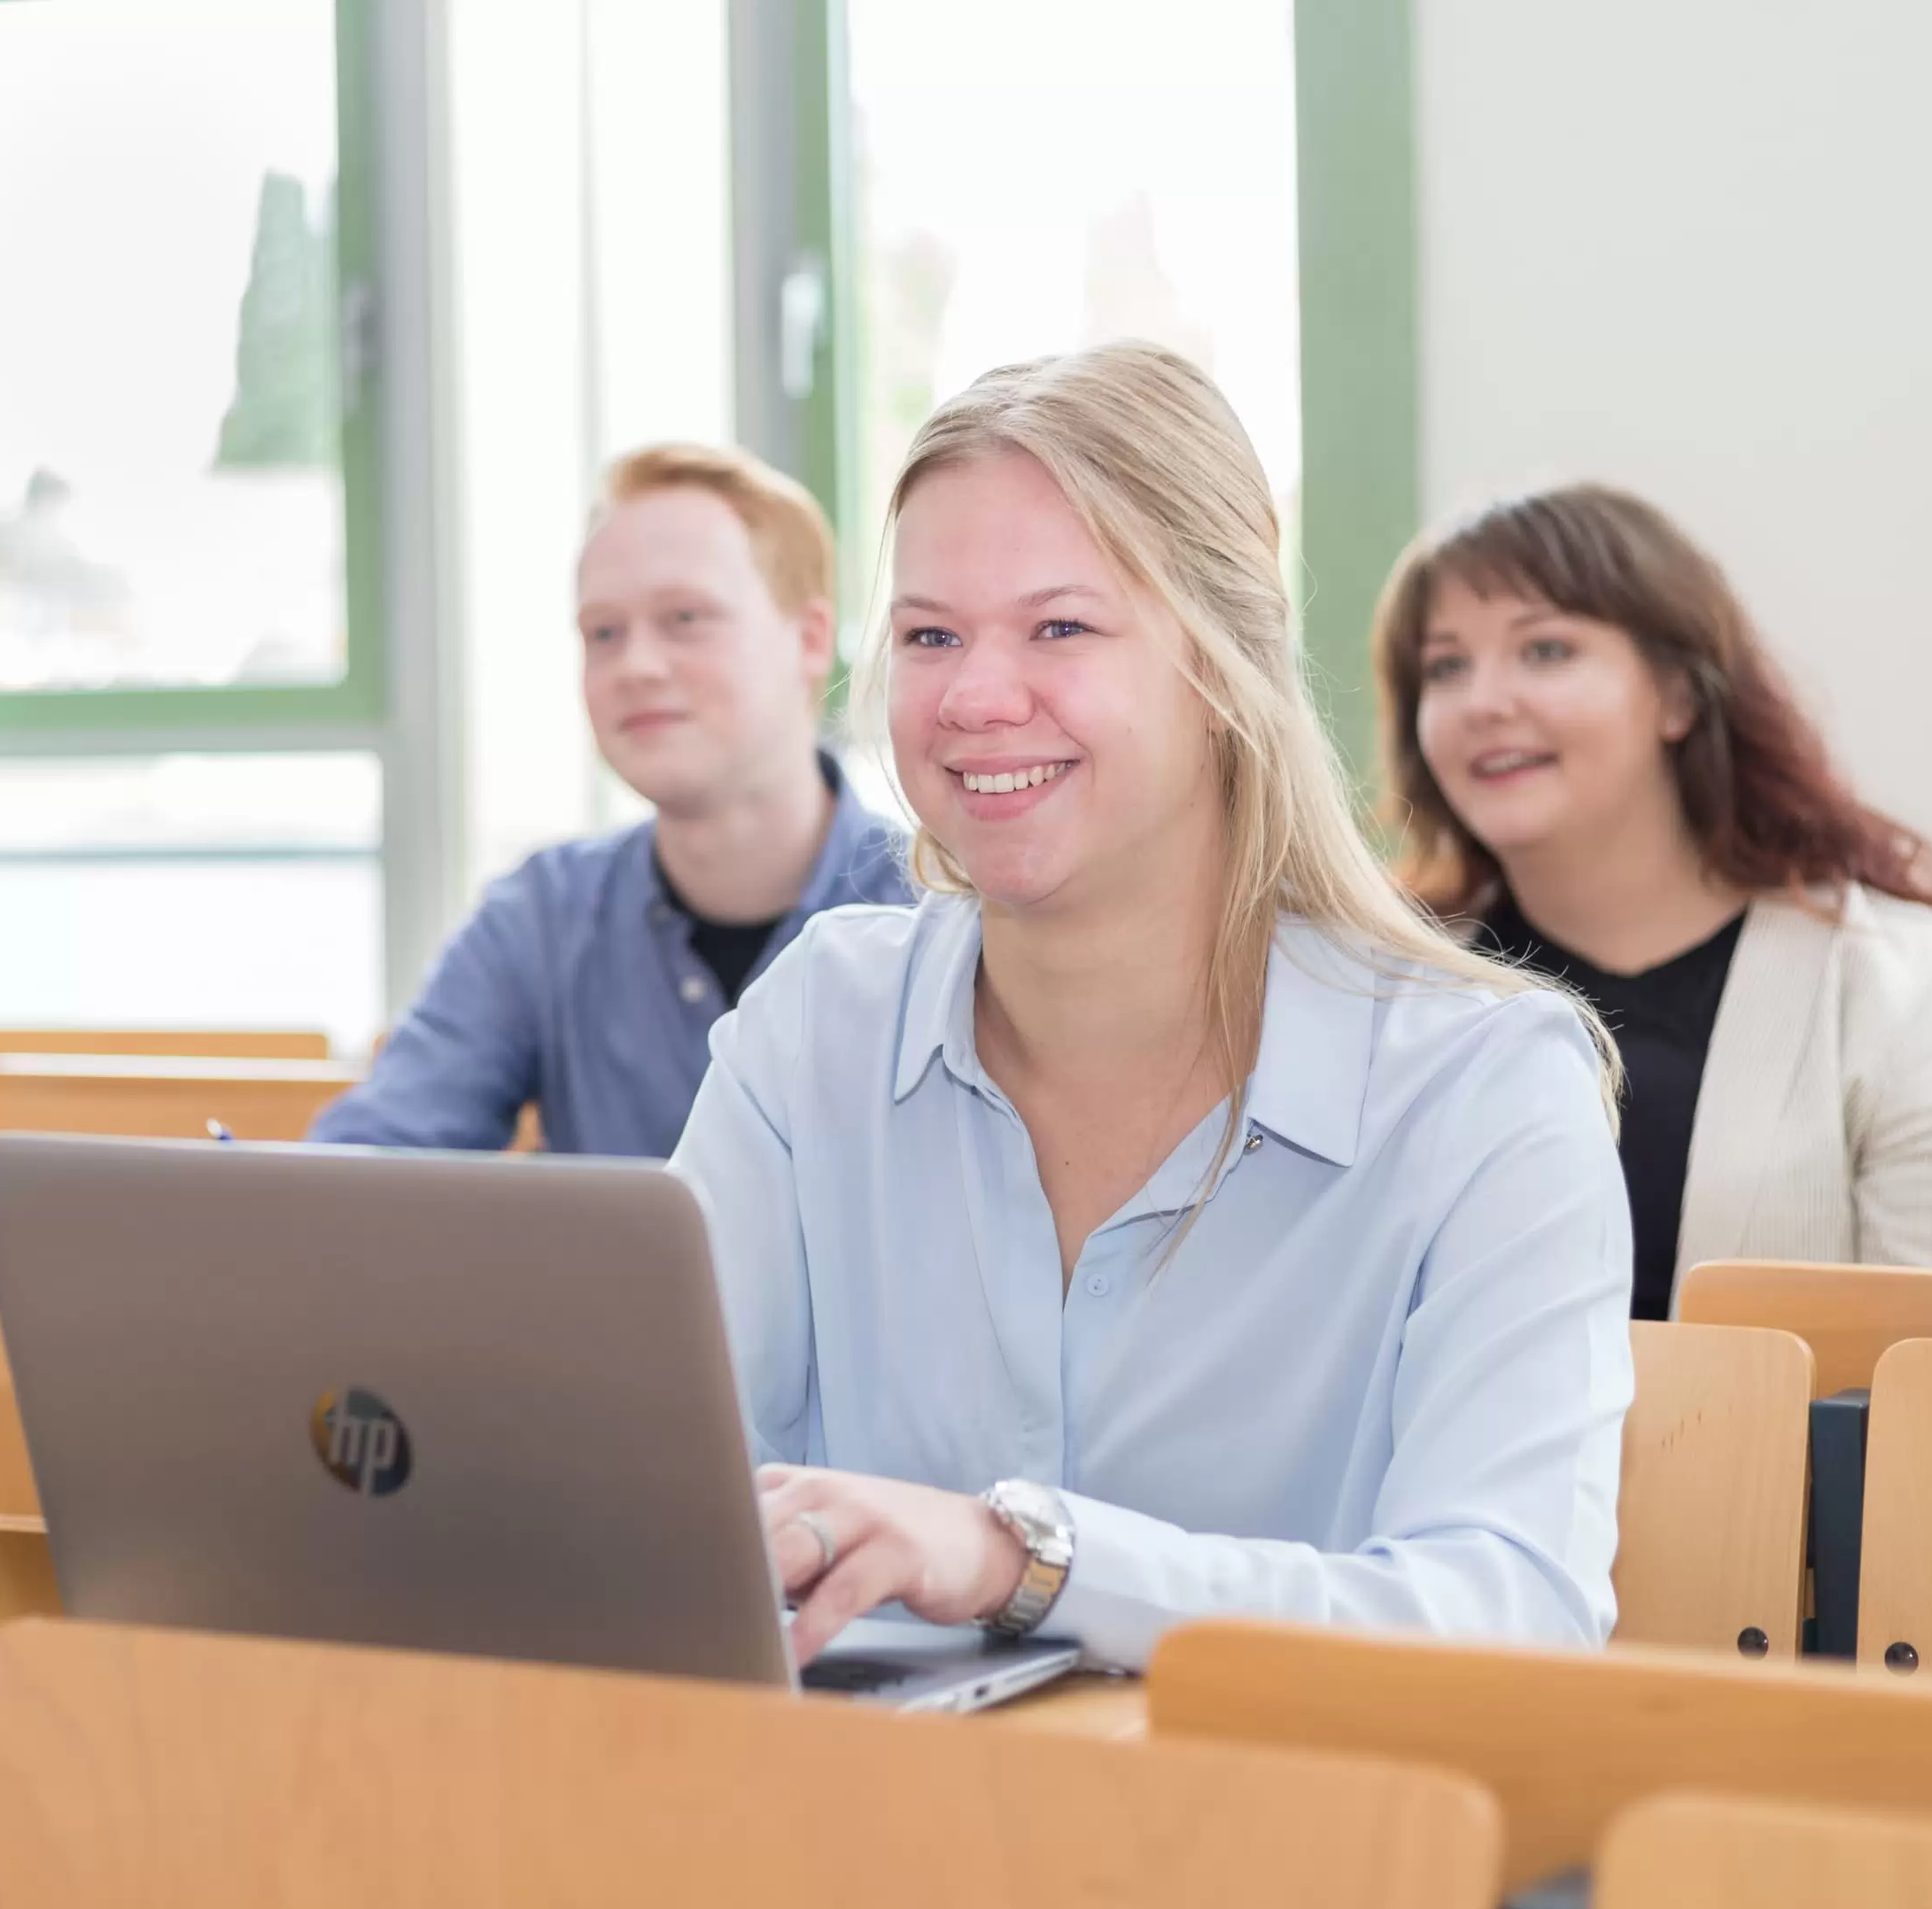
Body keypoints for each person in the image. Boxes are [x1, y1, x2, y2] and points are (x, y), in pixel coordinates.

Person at [670, 344, 1635, 1675]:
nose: (973, 698)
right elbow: (652, 1494)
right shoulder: (816, 1028)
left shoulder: (1486, 1094)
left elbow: (1512, 1617)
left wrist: (1028, 1561)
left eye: (1061, 628)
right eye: (930, 635)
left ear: (1224, 659)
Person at [1375, 483, 1932, 1317]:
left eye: (1547, 650)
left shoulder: (1918, 989)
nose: (1484, 701)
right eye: (1446, 666)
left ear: (1678, 695)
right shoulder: (1372, 987)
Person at [314, 445, 907, 1158]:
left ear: (810, 640)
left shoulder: (942, 913)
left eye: (686, 618)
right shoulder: (542, 915)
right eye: (603, 633)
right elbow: (375, 1164)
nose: (636, 666)